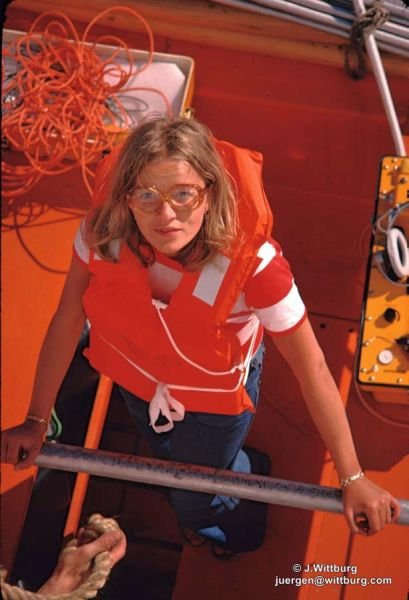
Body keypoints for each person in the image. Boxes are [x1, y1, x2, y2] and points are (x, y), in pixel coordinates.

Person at [1, 116, 401, 558]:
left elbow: (314, 370)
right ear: (128, 197)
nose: (165, 215)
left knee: (193, 501)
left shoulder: (257, 268)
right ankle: (241, 466)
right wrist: (36, 421)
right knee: (166, 454)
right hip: (135, 381)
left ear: (208, 193)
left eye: (183, 194)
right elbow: (67, 318)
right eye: (147, 195)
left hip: (214, 406)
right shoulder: (101, 234)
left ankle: (236, 531)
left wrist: (352, 477)